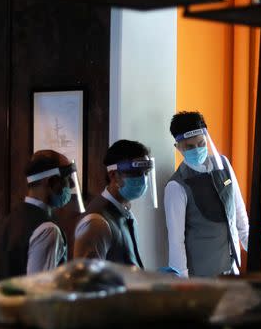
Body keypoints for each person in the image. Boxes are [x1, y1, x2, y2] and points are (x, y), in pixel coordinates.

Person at [165, 111, 249, 278]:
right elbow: (176, 241)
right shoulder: (176, 186)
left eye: (201, 143)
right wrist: (182, 282)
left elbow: (240, 216)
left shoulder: (223, 165)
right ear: (178, 147)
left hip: (232, 269)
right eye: (190, 147)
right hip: (202, 276)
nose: (197, 149)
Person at [0, 150, 83, 280]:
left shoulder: (11, 218)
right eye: (68, 179)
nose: (72, 185)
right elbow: (41, 293)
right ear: (52, 182)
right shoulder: (48, 230)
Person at [74, 140, 155, 268]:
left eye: (146, 173)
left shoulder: (124, 213)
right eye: (135, 173)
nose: (143, 179)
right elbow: (87, 282)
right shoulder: (97, 222)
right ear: (113, 175)